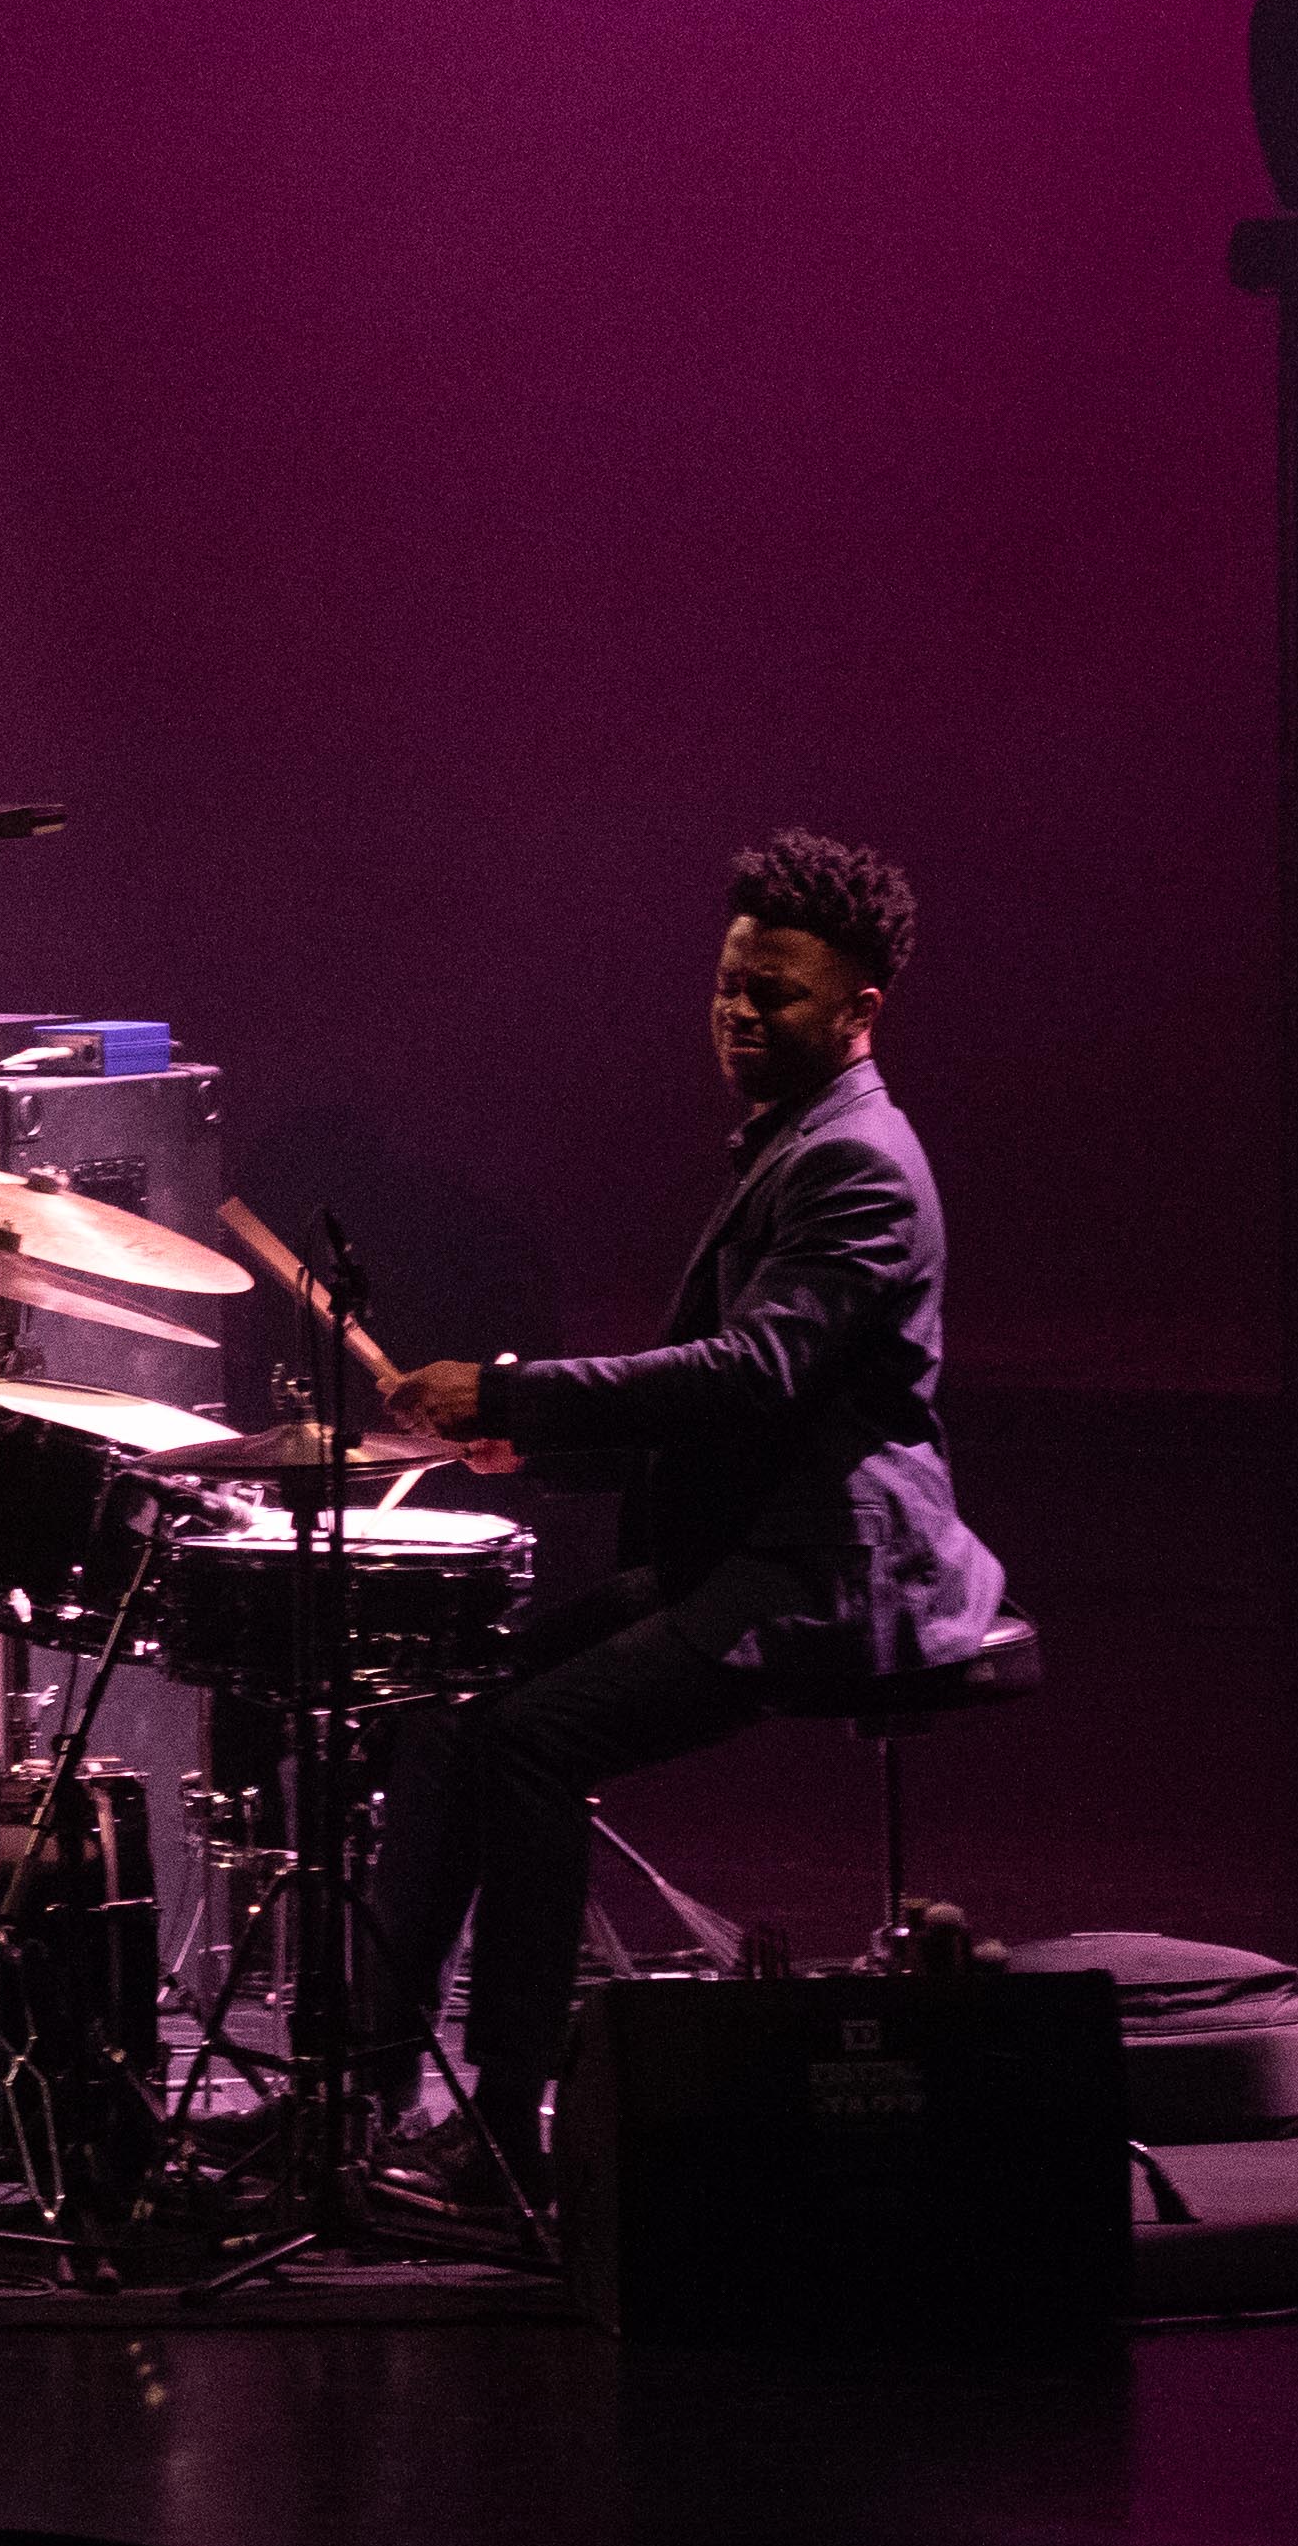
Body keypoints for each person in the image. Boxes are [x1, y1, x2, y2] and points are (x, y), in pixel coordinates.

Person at [356, 831, 1012, 2161]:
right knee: (448, 1709)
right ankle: (371, 2083)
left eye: (773, 996)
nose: (737, 1014)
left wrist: (511, 1392)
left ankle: (506, 2118)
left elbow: (755, 1372)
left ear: (859, 1012)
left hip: (828, 1575)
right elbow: (725, 1400)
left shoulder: (857, 1161)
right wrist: (525, 1444)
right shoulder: (795, 1142)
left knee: (531, 1742)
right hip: (751, 1547)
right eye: (727, 985)